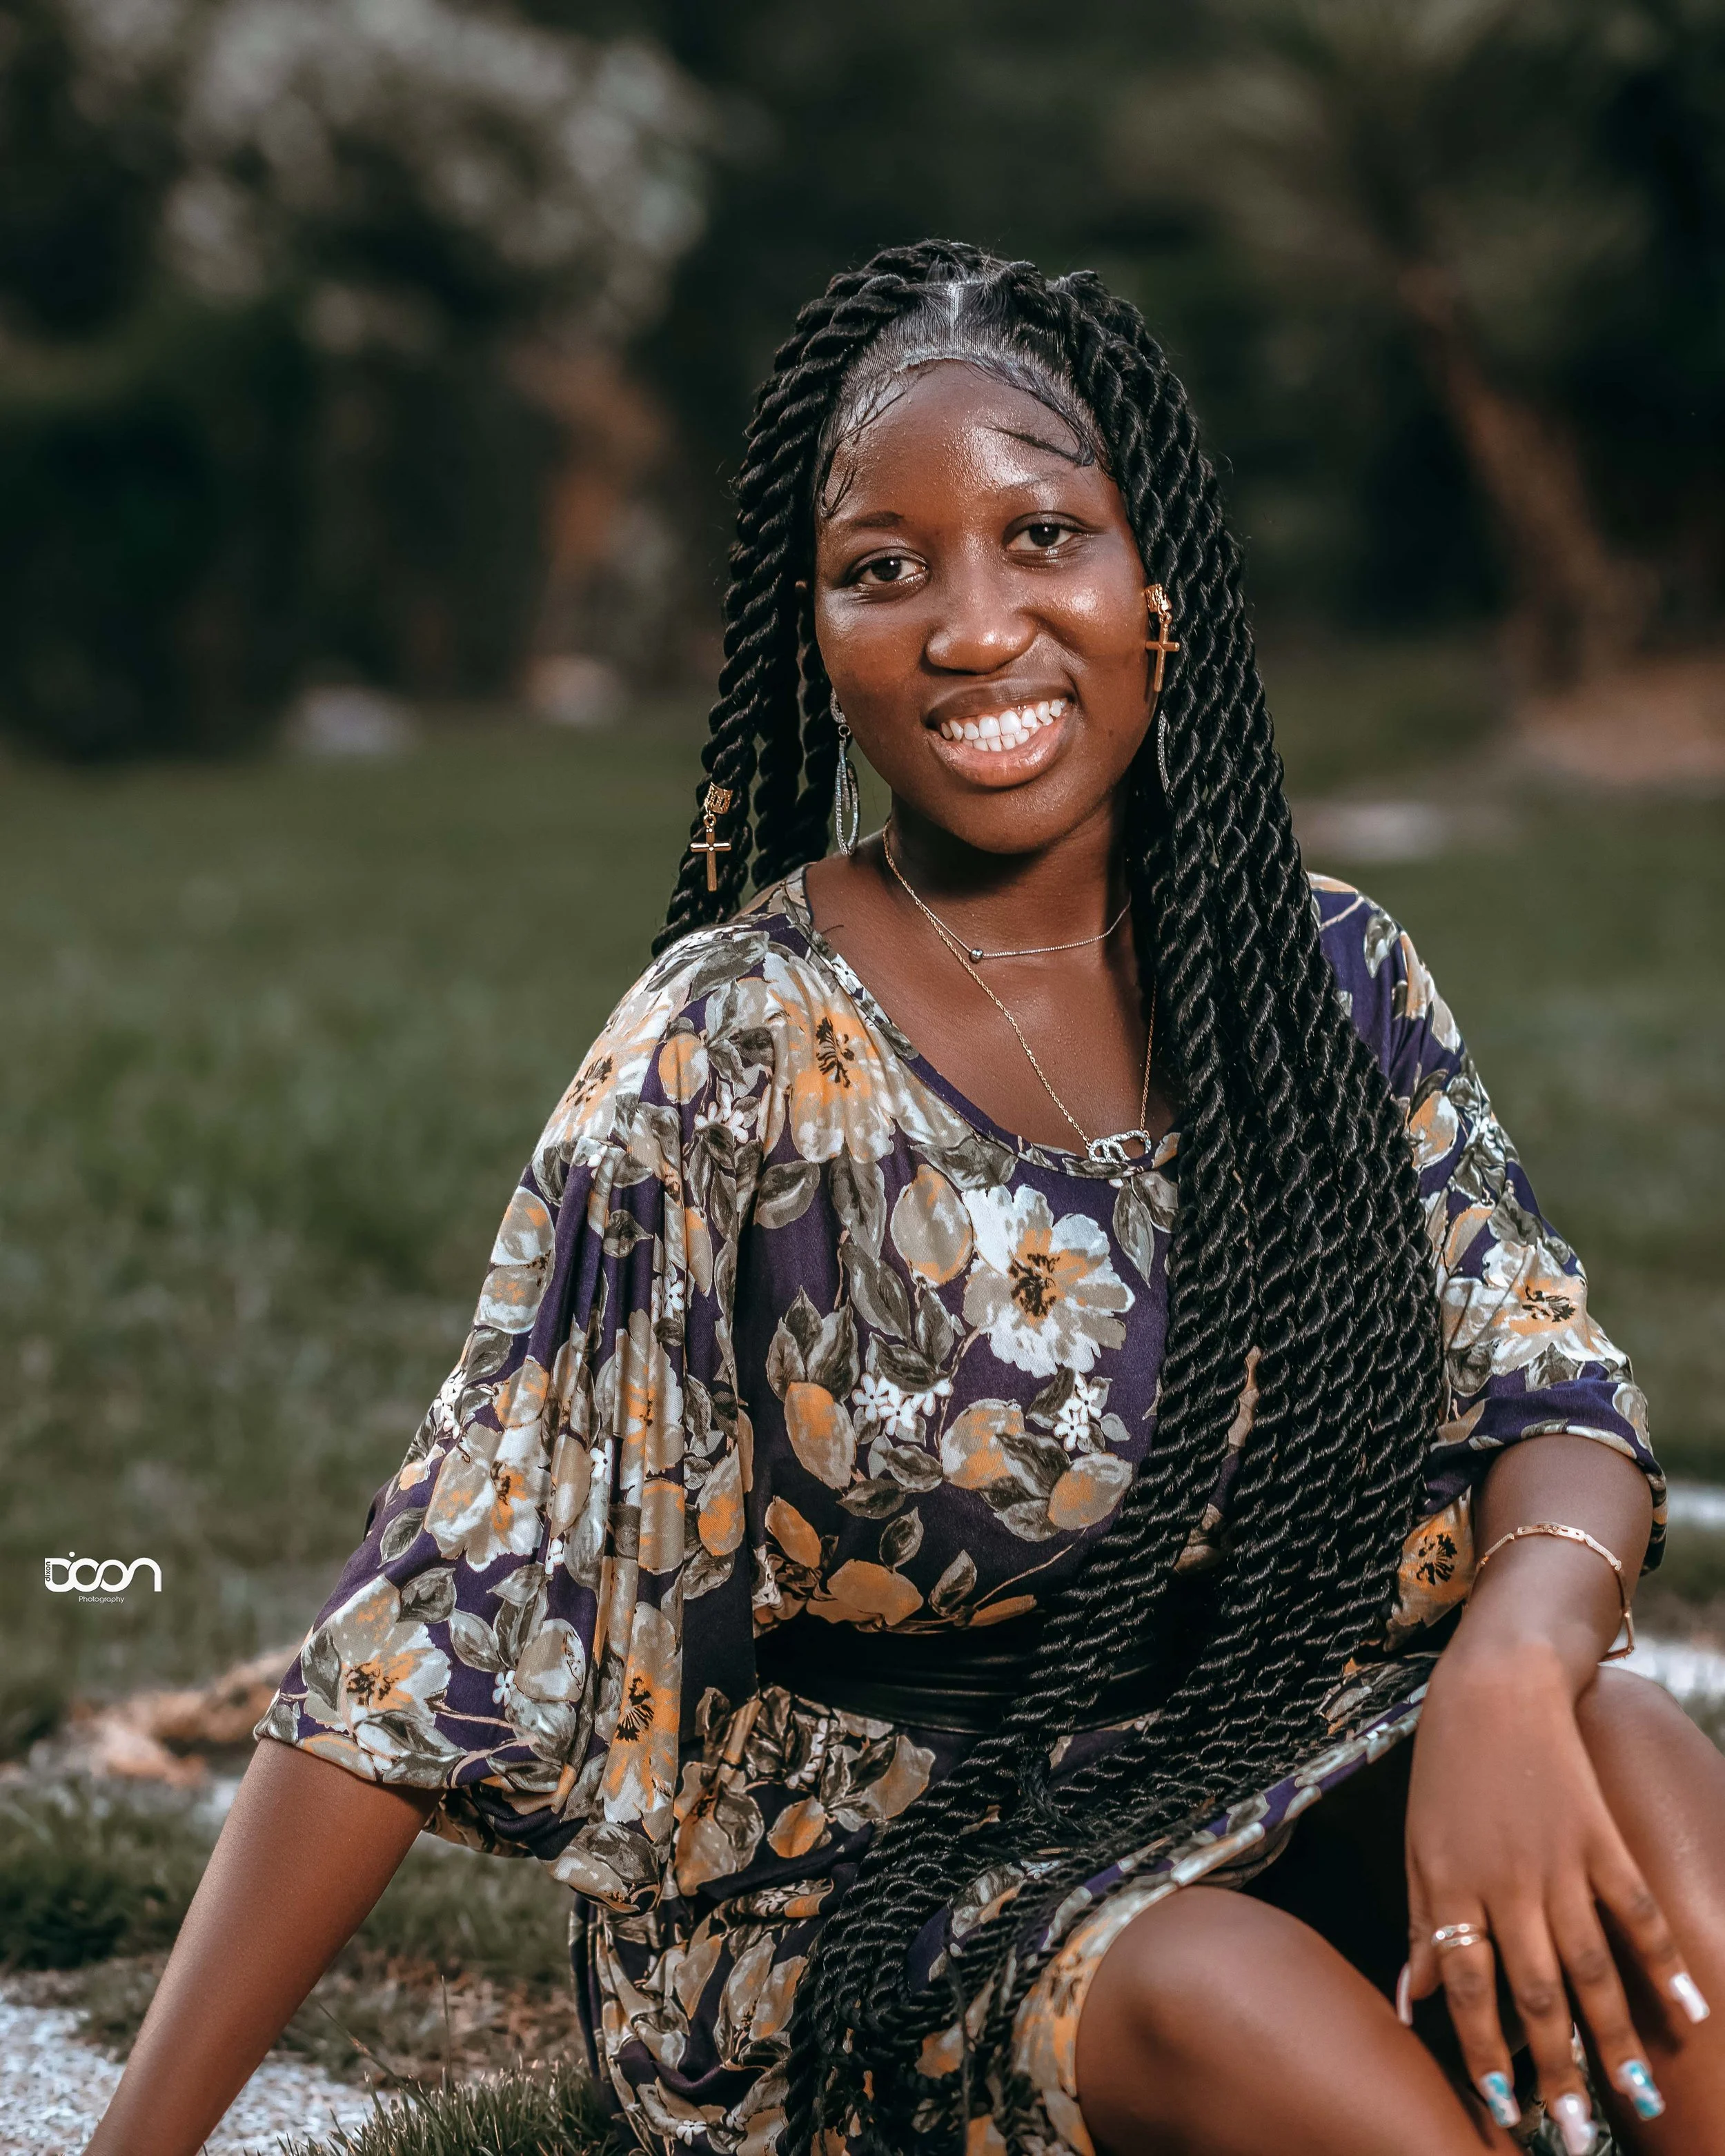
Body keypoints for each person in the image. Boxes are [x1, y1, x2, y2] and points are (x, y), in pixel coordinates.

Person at [86, 241, 1725, 2156]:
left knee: (1637, 1762)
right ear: (814, 635)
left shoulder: (1326, 978)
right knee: (1228, 2004)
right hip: (877, 1875)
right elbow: (428, 1635)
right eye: (885, 567)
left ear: (1154, 592)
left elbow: (1549, 1393)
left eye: (1044, 536)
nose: (972, 624)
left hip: (1281, 1740)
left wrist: (1517, 1666)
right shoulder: (728, 1048)